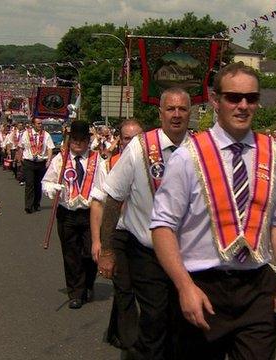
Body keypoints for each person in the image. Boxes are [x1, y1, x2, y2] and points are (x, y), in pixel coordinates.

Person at [150, 62, 276, 359]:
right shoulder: (188, 156)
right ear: (215, 101)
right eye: (233, 97)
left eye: (251, 98)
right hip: (203, 286)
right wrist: (184, 286)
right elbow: (162, 226)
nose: (243, 106)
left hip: (256, 287)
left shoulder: (273, 153)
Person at [97, 88, 191, 359]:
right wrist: (106, 250)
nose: (176, 115)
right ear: (160, 113)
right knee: (155, 317)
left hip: (186, 254)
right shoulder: (139, 147)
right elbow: (113, 198)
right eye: (170, 109)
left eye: (182, 109)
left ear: (190, 113)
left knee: (182, 318)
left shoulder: (198, 149)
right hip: (147, 254)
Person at [89, 118, 143, 350]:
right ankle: (130, 342)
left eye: (137, 138)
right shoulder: (109, 164)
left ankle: (116, 330)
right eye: (127, 138)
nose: (132, 143)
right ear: (119, 140)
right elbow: (98, 204)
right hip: (118, 234)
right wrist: (97, 242)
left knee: (138, 288)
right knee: (124, 287)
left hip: (143, 236)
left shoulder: (154, 162)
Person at [42, 121, 99, 309]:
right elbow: (46, 182)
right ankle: (75, 292)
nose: (78, 144)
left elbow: (106, 186)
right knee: (71, 253)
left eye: (83, 140)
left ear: (88, 141)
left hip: (90, 213)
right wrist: (52, 188)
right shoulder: (60, 159)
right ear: (69, 140)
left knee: (89, 252)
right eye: (75, 140)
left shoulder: (97, 160)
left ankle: (88, 283)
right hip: (67, 213)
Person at [20, 118, 54, 213]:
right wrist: (20, 159)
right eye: (38, 123)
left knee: (38, 184)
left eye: (41, 123)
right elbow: (21, 146)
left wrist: (48, 160)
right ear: (33, 124)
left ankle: (36, 204)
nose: (40, 125)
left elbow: (50, 148)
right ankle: (28, 206)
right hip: (29, 162)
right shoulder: (26, 134)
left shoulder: (46, 135)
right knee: (29, 184)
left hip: (40, 162)